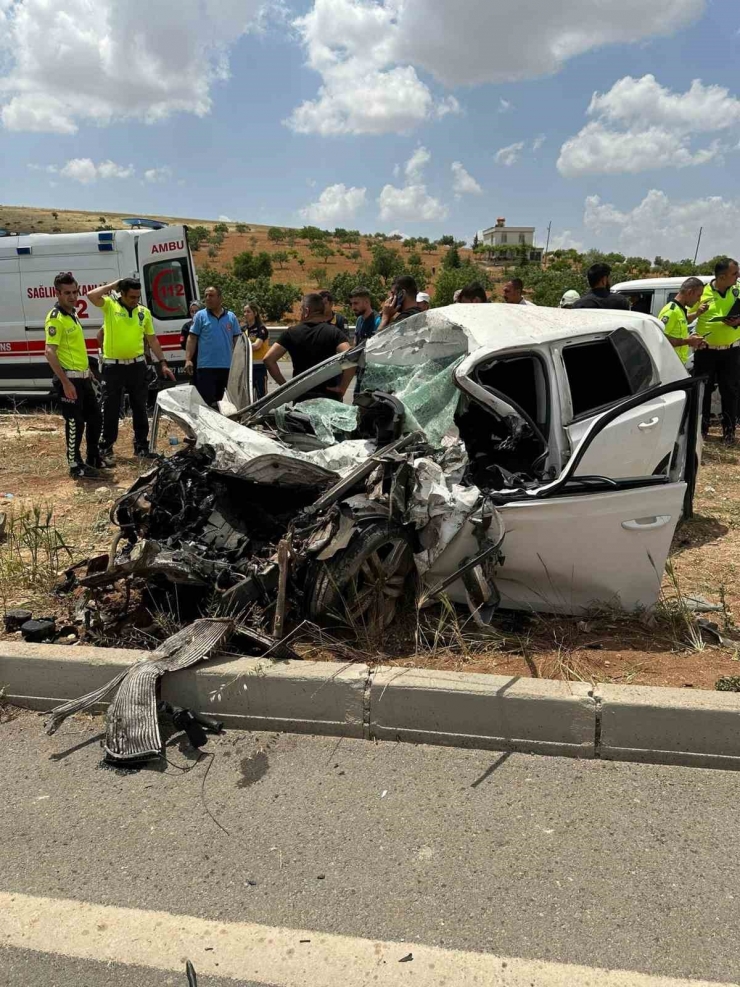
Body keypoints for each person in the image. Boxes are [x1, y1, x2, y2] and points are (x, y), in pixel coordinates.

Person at [88, 277, 175, 464]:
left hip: (137, 366)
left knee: (140, 407)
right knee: (111, 408)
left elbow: (152, 340)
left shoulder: (144, 312)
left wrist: (163, 362)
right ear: (122, 294)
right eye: (131, 297)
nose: (135, 300)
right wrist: (112, 284)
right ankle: (106, 448)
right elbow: (91, 296)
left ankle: (141, 447)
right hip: (113, 366)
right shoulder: (110, 305)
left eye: (138, 296)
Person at [44, 272, 105, 479]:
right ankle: (74, 464)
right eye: (67, 293)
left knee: (95, 417)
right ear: (58, 293)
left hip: (83, 377)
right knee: (74, 422)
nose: (72, 296)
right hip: (69, 380)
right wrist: (65, 382)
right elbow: (49, 351)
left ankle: (93, 457)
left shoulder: (73, 315)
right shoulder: (56, 318)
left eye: (75, 292)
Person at [263, 293, 354, 402]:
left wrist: (286, 388)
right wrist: (342, 388)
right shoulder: (334, 332)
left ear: (306, 311)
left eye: (301, 310)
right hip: (329, 399)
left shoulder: (291, 333)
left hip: (302, 399)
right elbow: (351, 357)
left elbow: (268, 359)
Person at [692, 257, 740, 443]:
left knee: (730, 391)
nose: (738, 277)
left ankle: (729, 432)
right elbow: (687, 317)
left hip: (731, 350)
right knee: (704, 391)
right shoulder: (701, 292)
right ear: (721, 276)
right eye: (734, 274)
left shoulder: (738, 291)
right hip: (706, 351)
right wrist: (697, 313)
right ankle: (702, 431)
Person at [185, 286, 242, 407]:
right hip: (206, 368)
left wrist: (240, 362)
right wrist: (188, 359)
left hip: (227, 368)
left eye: (211, 295)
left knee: (227, 404)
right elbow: (192, 338)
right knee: (207, 404)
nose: (207, 298)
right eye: (205, 295)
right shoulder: (200, 316)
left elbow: (238, 340)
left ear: (220, 298)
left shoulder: (231, 317)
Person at [657, 278, 708, 367]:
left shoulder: (679, 309)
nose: (699, 300)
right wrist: (688, 341)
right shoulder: (671, 311)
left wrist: (697, 314)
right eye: (698, 295)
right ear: (690, 292)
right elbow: (662, 339)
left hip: (678, 364)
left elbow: (683, 321)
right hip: (670, 365)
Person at [243, 302, 270, 400]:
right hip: (247, 368)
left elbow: (256, 345)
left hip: (259, 368)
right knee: (247, 397)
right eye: (244, 312)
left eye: (248, 312)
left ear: (255, 313)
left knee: (261, 396)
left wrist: (243, 347)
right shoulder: (243, 329)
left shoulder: (261, 329)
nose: (246, 314)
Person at [180, 301, 203, 376]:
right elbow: (183, 345)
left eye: (196, 311)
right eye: (192, 311)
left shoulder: (207, 324)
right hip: (194, 358)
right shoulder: (187, 326)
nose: (194, 313)